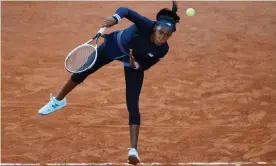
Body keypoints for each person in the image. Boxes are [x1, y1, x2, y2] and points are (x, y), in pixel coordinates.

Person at [38, 1, 180, 165]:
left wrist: (137, 65)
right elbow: (125, 10)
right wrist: (116, 17)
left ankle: (133, 150)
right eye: (161, 32)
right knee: (81, 73)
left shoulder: (163, 49)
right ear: (155, 27)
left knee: (132, 103)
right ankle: (58, 100)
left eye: (167, 35)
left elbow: (147, 64)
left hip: (133, 61)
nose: (162, 37)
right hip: (113, 47)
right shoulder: (145, 24)